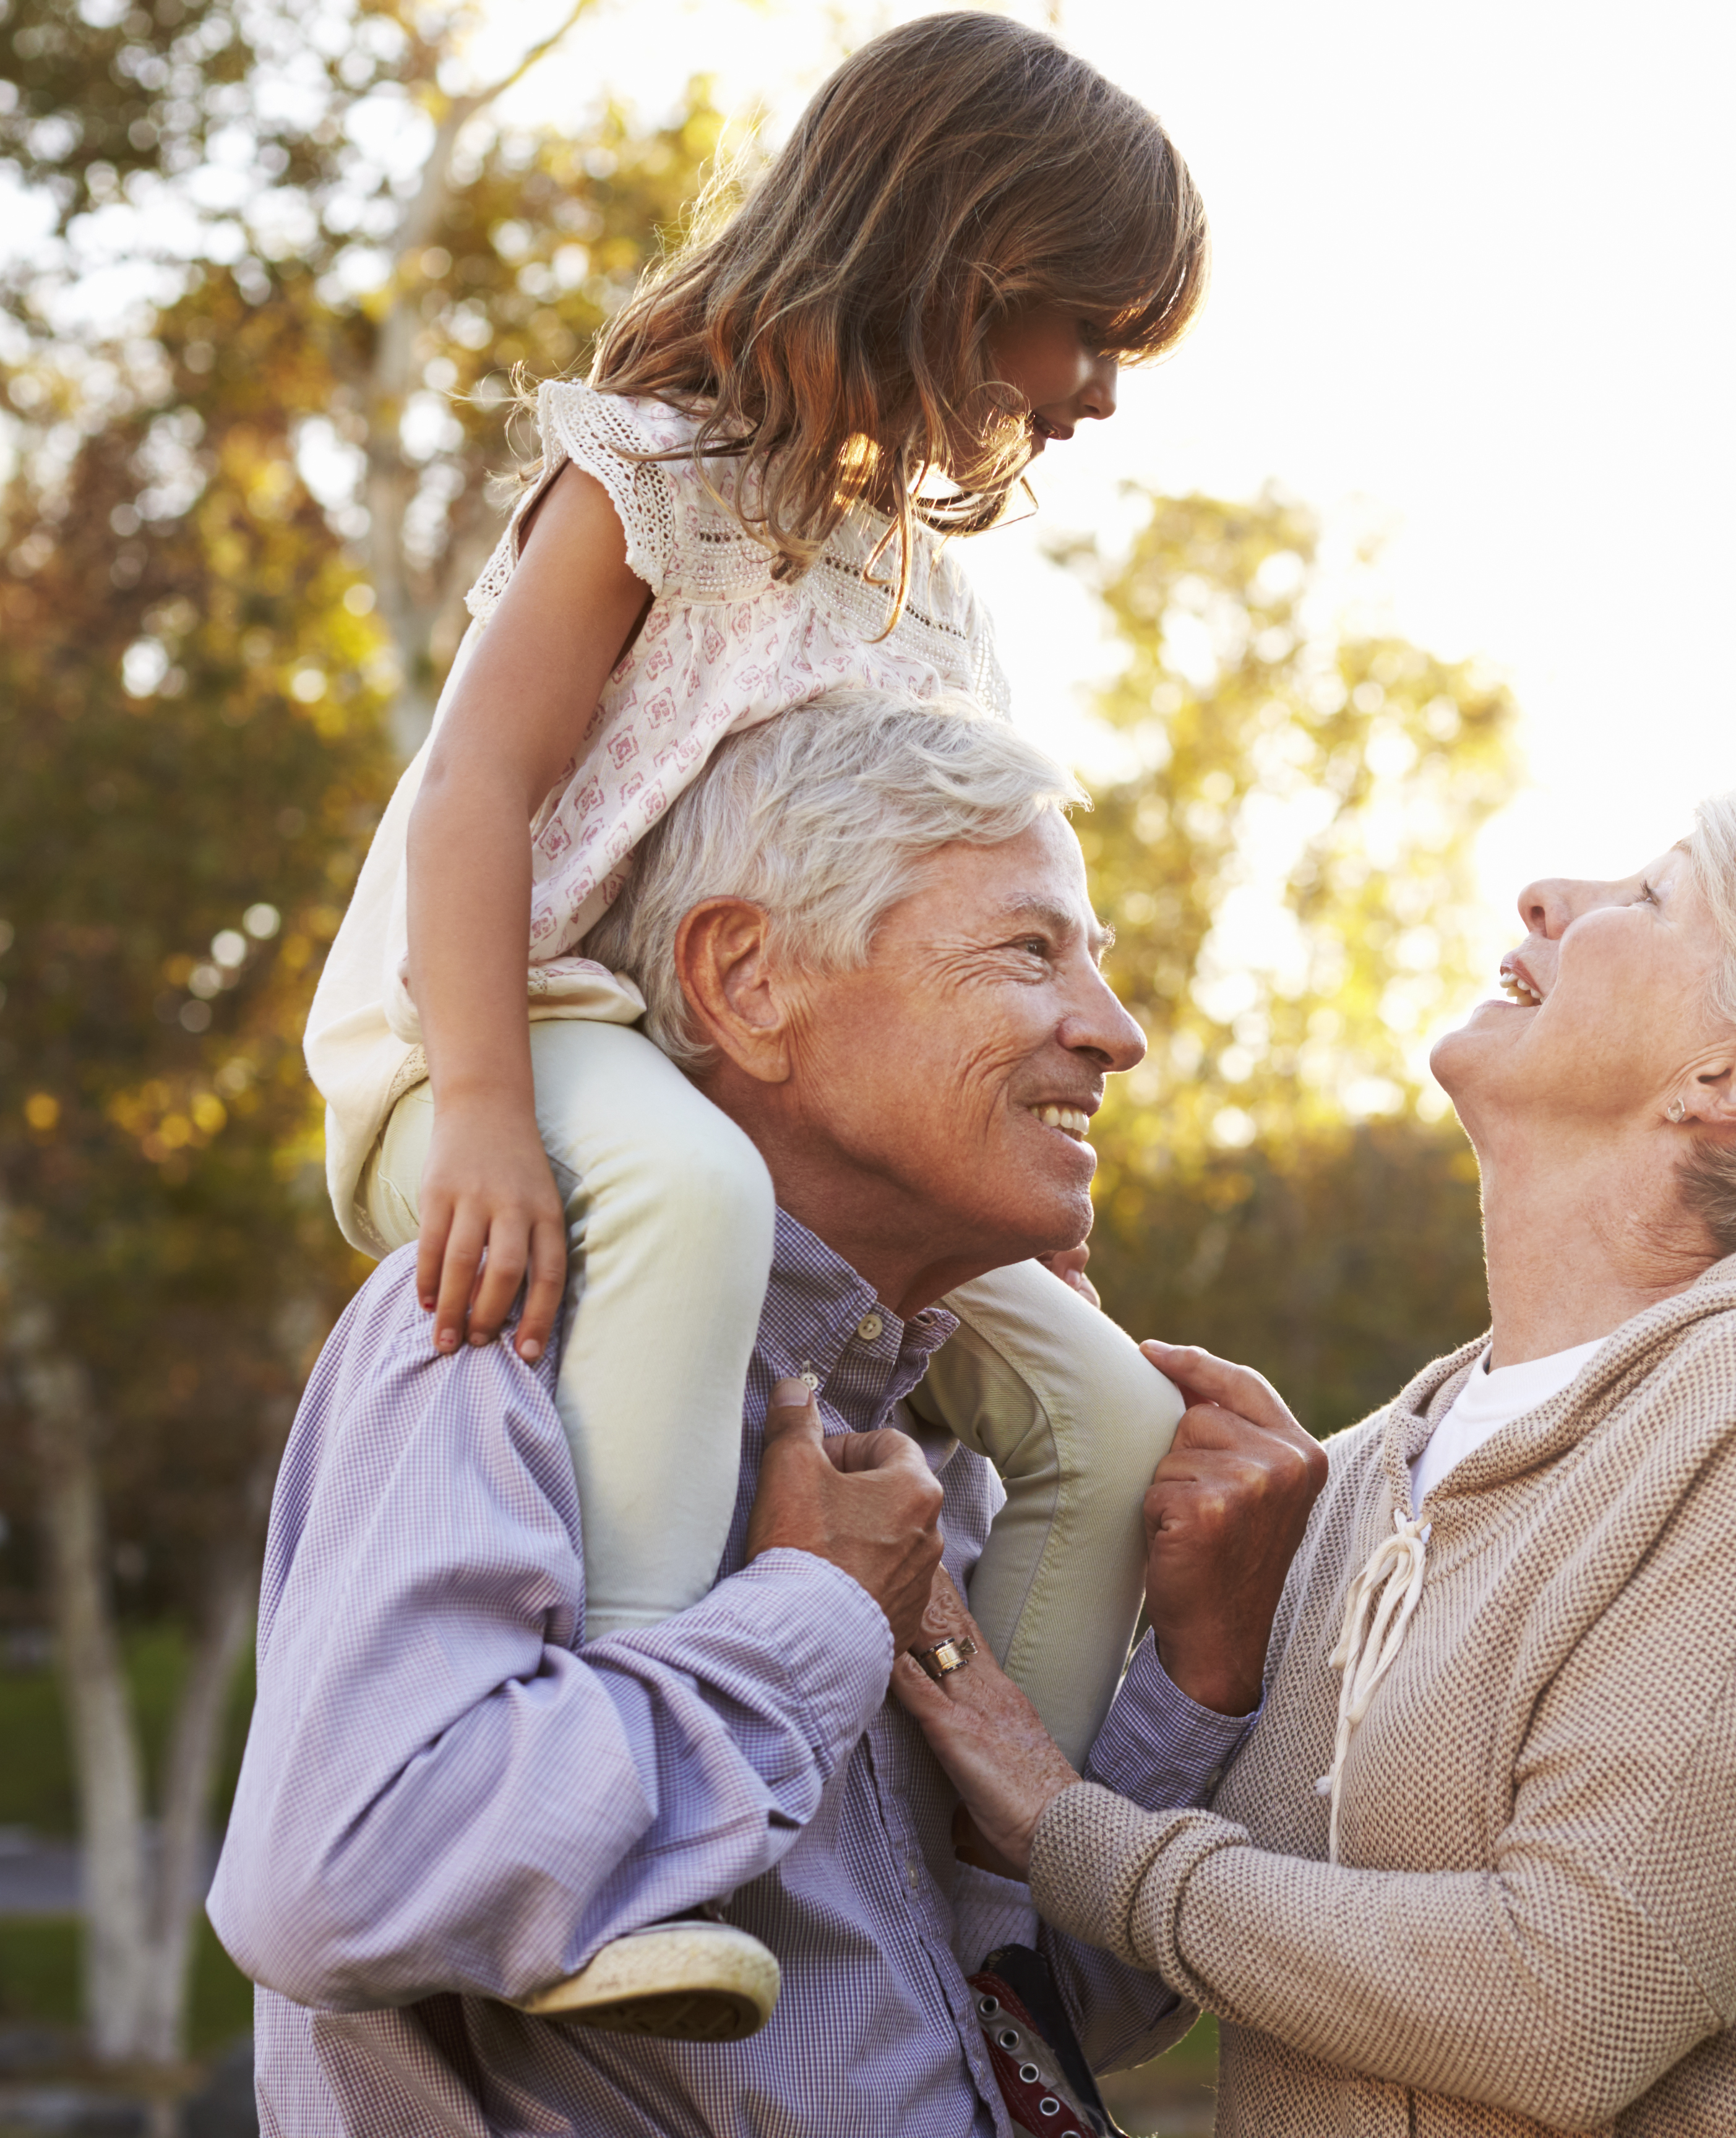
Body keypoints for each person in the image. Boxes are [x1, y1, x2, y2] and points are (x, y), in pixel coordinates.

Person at [296, 12, 1207, 2021]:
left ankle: (986, 1887)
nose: (1104, 397)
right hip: (505, 1009)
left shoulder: (921, 584)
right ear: (969, 260)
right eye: (1091, 329)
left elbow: (920, 901)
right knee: (695, 1204)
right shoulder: (648, 479)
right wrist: (473, 1103)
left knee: (1103, 1407)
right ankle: (630, 1835)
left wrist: (1012, 1181)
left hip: (702, 1050)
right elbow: (471, 794)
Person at [212, 696, 1329, 2134]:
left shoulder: (940, 1450)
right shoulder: (495, 1334)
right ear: (746, 978)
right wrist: (811, 1615)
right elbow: (340, 1885)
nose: (1115, 1034)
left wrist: (1207, 1665)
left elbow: (1038, 2005)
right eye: (1030, 949)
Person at [895, 794, 1736, 2136]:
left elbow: (1565, 2006)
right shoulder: (1360, 1477)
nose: (1545, 895)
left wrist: (1055, 1816)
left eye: (1652, 894)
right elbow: (1097, 1986)